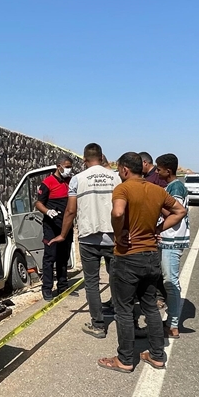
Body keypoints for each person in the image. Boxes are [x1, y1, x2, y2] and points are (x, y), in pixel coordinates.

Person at [98, 152, 186, 373]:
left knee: (124, 310)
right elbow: (180, 211)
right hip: (151, 255)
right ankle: (157, 355)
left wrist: (119, 233)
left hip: (127, 256)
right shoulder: (157, 190)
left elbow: (118, 212)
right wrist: (158, 229)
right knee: (150, 307)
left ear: (125, 169)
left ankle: (125, 359)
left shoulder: (123, 189)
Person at [50, 143, 120, 337]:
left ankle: (98, 325)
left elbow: (71, 210)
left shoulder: (78, 179)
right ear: (102, 157)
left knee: (91, 282)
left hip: (89, 237)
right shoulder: (116, 177)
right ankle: (122, 315)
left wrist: (63, 234)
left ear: (84, 159)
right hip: (113, 237)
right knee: (117, 278)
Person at [156, 153, 190, 337]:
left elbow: (174, 212)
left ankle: (173, 324)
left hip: (173, 240)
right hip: (168, 238)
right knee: (168, 280)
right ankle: (171, 321)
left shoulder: (175, 187)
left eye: (159, 169)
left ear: (168, 171)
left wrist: (156, 201)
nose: (157, 172)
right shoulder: (170, 186)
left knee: (170, 282)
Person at [35, 155, 74, 301]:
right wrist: (47, 211)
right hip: (51, 226)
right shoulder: (48, 183)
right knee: (50, 257)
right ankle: (47, 288)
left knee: (63, 256)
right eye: (67, 167)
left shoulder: (71, 181)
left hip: (66, 225)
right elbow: (38, 203)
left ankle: (63, 286)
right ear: (59, 166)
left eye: (70, 167)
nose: (69, 170)